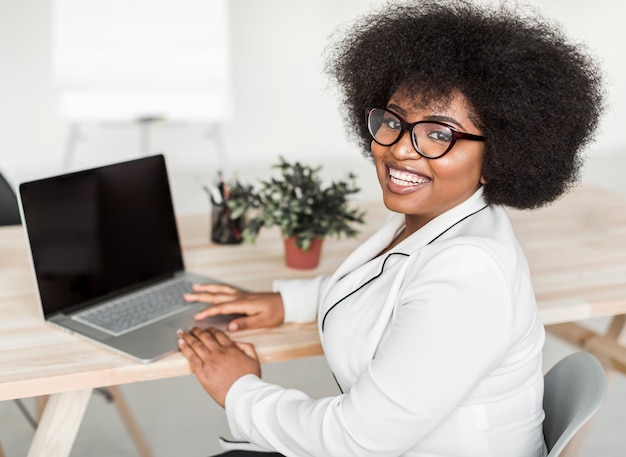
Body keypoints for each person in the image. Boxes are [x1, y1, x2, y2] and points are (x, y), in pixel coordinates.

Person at [177, 1, 604, 455]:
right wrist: (289, 301)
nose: (401, 150)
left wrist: (238, 390)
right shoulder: (437, 218)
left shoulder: (469, 273)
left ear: (498, 158)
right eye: (395, 123)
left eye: (440, 134)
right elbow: (390, 292)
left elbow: (356, 439)